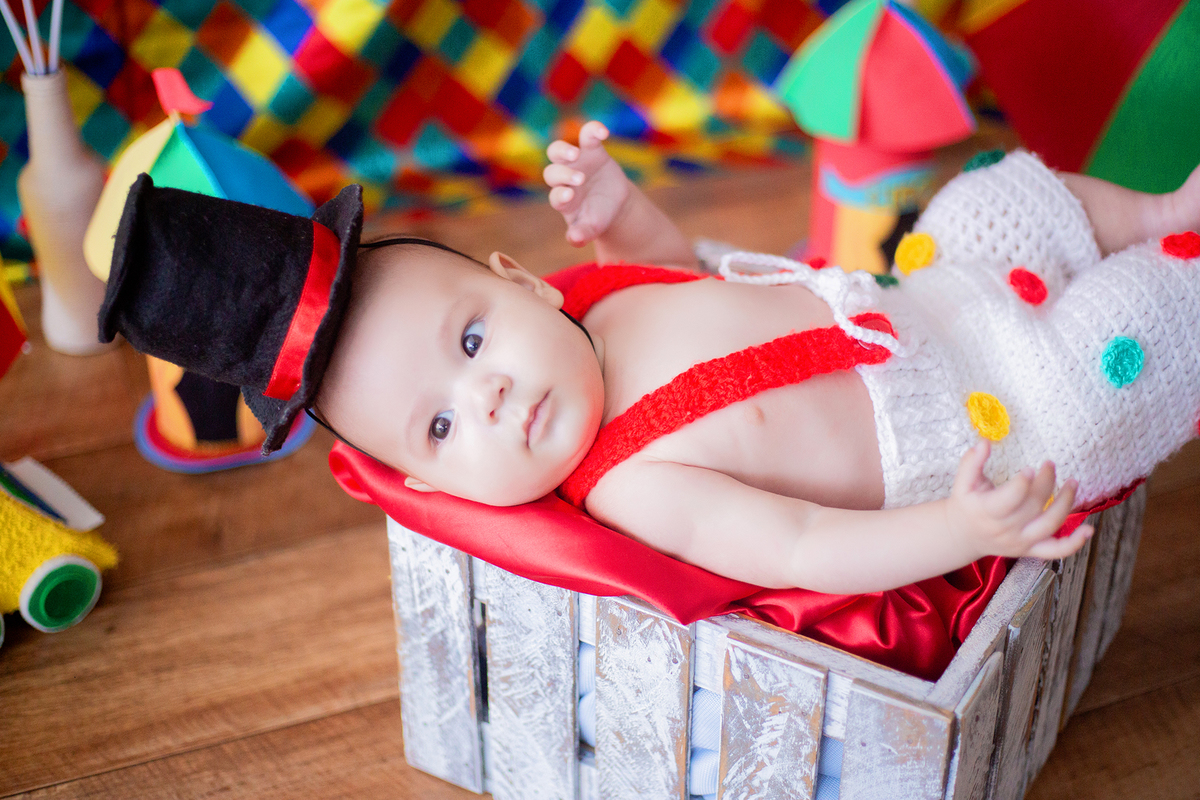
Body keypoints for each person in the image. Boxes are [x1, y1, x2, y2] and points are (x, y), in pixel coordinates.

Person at [308, 121, 1200, 596]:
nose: (488, 395)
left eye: (472, 340)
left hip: (929, 298)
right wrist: (962, 531)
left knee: (993, 197)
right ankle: (1180, 269)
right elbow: (802, 546)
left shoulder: (609, 299)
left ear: (528, 284)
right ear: (443, 491)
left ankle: (1161, 213)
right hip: (986, 422)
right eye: (441, 426)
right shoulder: (634, 484)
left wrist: (619, 211)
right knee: (1118, 348)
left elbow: (674, 266)